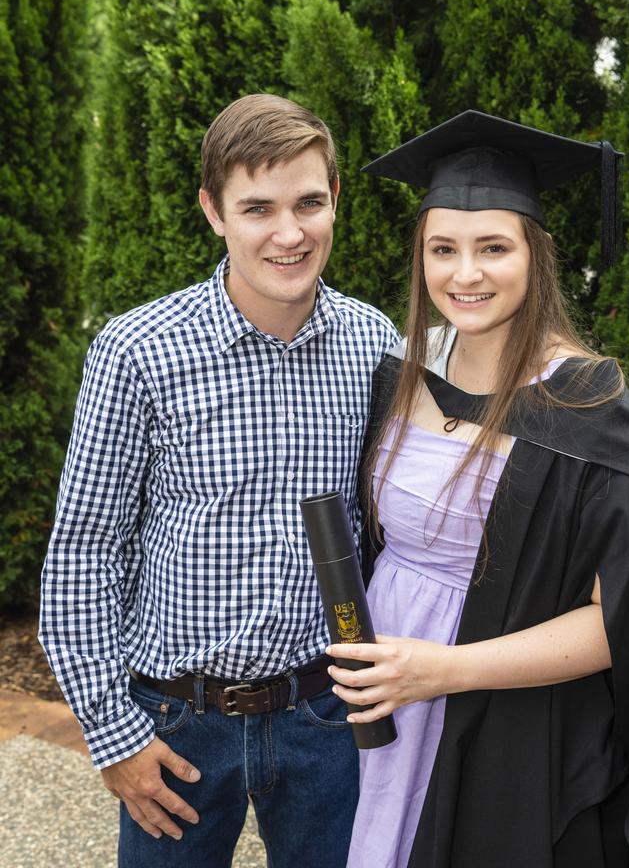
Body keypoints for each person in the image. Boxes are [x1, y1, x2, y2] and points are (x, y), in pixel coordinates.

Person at [325, 111, 629, 867]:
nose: (464, 274)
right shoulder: (399, 374)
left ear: (536, 254)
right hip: (383, 716)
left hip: (504, 721)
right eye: (443, 249)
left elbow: (627, 621)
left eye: (493, 248)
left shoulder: (592, 417)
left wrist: (443, 670)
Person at [39, 94, 399, 868]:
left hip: (325, 720)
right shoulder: (138, 351)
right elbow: (83, 554)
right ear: (213, 211)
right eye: (256, 207)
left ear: (335, 198)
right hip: (177, 720)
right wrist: (113, 737)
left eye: (309, 202)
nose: (288, 232)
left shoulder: (375, 345)